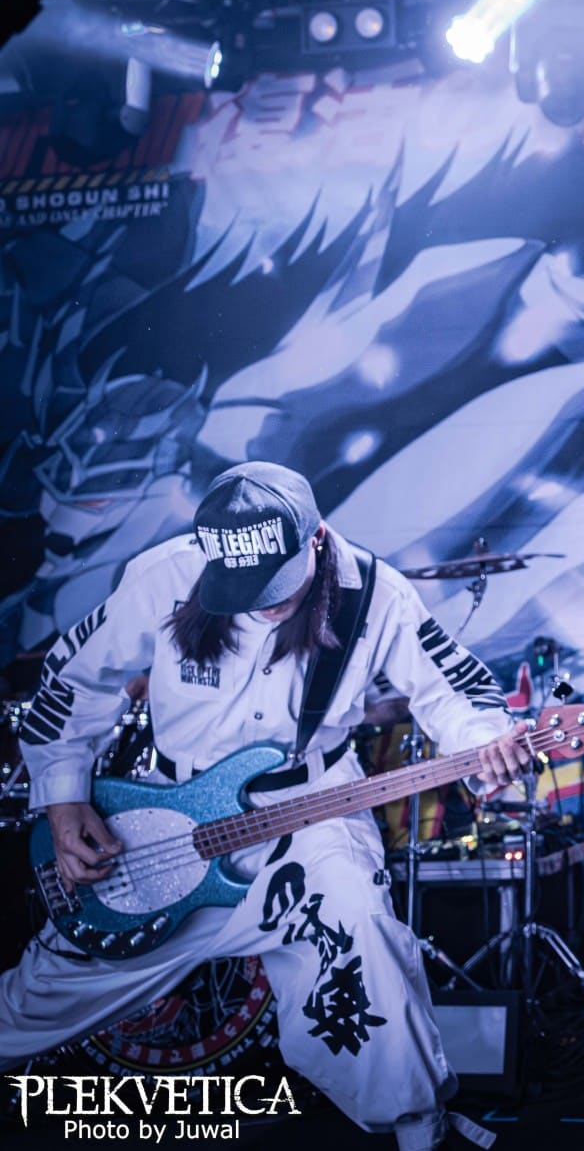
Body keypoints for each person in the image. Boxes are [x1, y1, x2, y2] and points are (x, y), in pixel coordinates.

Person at [0, 462, 533, 1150]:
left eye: (275, 585)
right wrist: (64, 795)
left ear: (316, 539)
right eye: (243, 588)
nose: (262, 605)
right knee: (44, 993)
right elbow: (76, 680)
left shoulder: (375, 594)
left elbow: (449, 689)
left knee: (363, 931)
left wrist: (488, 742)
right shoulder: (165, 575)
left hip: (312, 808)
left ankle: (418, 1128)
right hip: (170, 821)